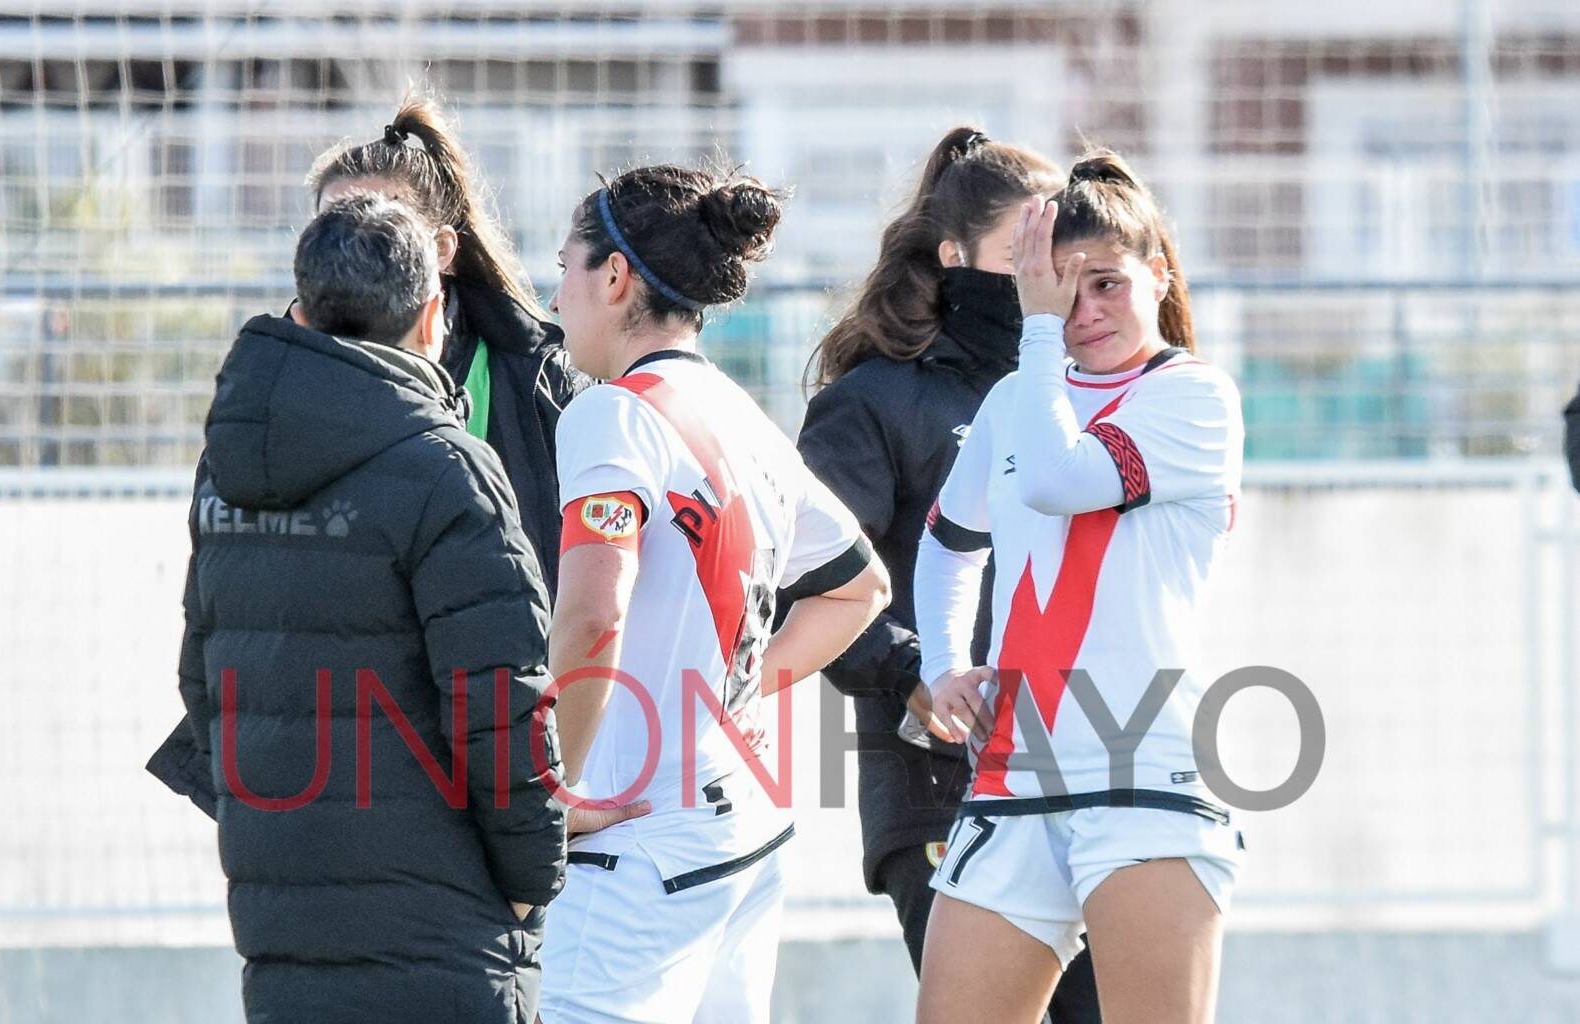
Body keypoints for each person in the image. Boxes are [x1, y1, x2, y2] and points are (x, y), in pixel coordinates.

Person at [173, 194, 565, 1023]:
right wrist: (534, 882)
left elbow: (203, 682)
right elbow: (503, 703)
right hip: (444, 934)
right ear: (434, 318)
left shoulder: (227, 468)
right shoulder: (446, 468)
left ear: (304, 309)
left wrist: (278, 843)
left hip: (281, 923)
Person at [148, 93, 589, 813]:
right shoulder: (265, 396)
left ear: (443, 251)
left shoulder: (539, 378)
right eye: (332, 227)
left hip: (496, 750)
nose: (356, 247)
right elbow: (217, 616)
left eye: (383, 224)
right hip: (334, 770)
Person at [539, 163, 891, 1024]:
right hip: (746, 836)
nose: (554, 296)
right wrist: (729, 690)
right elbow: (861, 589)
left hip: (637, 846)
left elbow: (594, 613)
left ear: (613, 278)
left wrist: (546, 794)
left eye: (563, 266)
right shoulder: (741, 414)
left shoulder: (610, 413)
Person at [913, 152, 1246, 1024]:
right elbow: (948, 543)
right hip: (1014, 779)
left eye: (1104, 283)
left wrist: (1033, 331)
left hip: (1145, 777)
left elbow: (1059, 478)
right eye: (1060, 289)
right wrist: (947, 663)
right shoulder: (1016, 400)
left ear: (1159, 274)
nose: (1081, 311)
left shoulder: (1195, 396)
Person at [795, 125, 1101, 1019]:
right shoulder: (871, 401)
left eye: (1066, 255)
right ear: (955, 256)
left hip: (1085, 774)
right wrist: (913, 675)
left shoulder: (1084, 395)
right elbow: (804, 578)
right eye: (1026, 254)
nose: (1051, 279)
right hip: (935, 790)